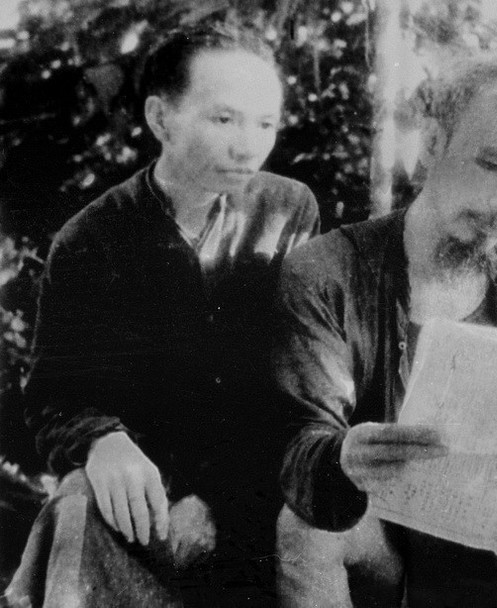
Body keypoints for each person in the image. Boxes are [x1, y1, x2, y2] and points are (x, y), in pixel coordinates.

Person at [5, 24, 319, 607]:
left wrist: (219, 501)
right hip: (143, 495)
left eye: (266, 123)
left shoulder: (288, 209)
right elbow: (54, 391)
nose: (248, 145)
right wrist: (102, 440)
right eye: (224, 119)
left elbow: (297, 381)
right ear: (160, 118)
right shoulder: (92, 239)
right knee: (76, 504)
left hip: (256, 486)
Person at [273, 53, 497, 607]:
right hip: (386, 555)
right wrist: (343, 458)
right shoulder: (326, 271)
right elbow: (300, 442)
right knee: (306, 528)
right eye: (491, 165)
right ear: (433, 145)